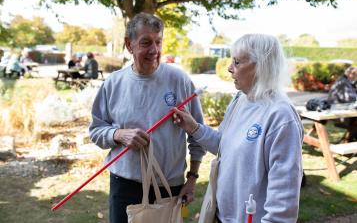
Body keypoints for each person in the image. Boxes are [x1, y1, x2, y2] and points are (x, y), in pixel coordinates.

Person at [173, 34, 303, 223]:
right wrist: (193, 127)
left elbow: (283, 205)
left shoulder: (281, 116)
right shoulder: (240, 100)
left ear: (261, 66)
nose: (229, 68)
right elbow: (224, 146)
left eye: (237, 62)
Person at [89, 13, 205, 223]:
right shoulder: (113, 84)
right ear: (129, 44)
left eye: (158, 42)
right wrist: (118, 134)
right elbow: (96, 130)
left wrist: (193, 178)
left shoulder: (179, 80)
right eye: (146, 43)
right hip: (125, 184)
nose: (154, 50)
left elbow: (197, 134)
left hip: (170, 185)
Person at [327, 66, 357, 142]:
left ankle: (348, 141)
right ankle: (348, 142)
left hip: (340, 112)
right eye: (355, 75)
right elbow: (351, 99)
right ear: (350, 74)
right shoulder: (344, 82)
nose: (356, 77)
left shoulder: (343, 81)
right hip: (339, 115)